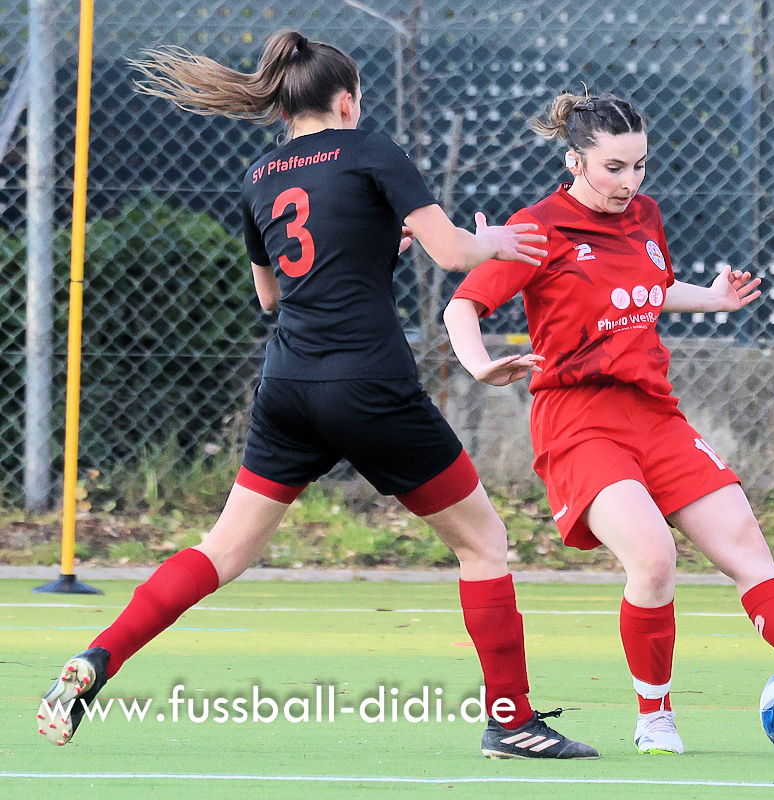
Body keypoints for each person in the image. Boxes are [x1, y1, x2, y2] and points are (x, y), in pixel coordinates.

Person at [37, 30, 597, 760]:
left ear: (283, 108)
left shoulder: (260, 175)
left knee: (221, 550)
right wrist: (494, 242)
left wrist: (373, 248)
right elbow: (456, 252)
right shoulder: (371, 150)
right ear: (347, 101)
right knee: (484, 543)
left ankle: (101, 655)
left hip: (289, 386)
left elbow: (273, 296)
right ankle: (512, 722)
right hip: (369, 384)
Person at [443, 91, 774, 755]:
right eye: (614, 167)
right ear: (575, 162)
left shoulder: (644, 215)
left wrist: (714, 300)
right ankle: (655, 718)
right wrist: (479, 366)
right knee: (653, 558)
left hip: (653, 413)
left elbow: (649, 288)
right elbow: (462, 307)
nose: (629, 182)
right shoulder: (539, 228)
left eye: (639, 165)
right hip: (578, 422)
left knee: (745, 547)